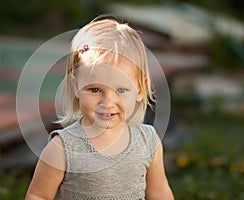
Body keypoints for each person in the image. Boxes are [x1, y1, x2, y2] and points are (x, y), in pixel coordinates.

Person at [25, 16, 174, 200]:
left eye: (121, 90)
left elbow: (159, 192)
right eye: (95, 89)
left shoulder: (148, 142)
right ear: (76, 87)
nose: (108, 102)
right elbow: (38, 196)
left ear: (140, 89)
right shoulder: (63, 148)